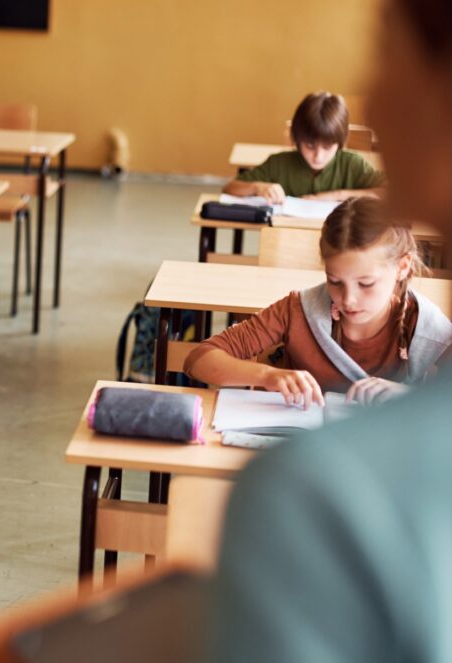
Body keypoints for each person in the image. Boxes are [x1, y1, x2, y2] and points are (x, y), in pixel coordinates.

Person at [208, 1, 452, 660]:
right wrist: (264, 373)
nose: (372, 92)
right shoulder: (306, 309)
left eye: (384, 58)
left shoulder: (309, 494)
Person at [185, 197, 451, 407]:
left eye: (366, 283)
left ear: (402, 267)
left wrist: (413, 400)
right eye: (334, 281)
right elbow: (199, 359)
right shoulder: (298, 310)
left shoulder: (429, 329)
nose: (348, 299)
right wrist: (267, 376)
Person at [223, 92, 386, 204]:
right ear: (297, 138)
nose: (318, 156)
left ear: (340, 142)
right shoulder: (279, 164)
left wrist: (338, 195)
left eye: (328, 147)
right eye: (310, 145)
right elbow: (230, 187)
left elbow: (389, 193)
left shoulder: (352, 164)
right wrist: (257, 187)